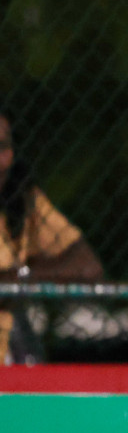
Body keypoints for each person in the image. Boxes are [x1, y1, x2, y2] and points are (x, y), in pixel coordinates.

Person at [0, 107, 103, 364]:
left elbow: (88, 268)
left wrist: (19, 277)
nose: (2, 159)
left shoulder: (23, 200)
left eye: (3, 146)